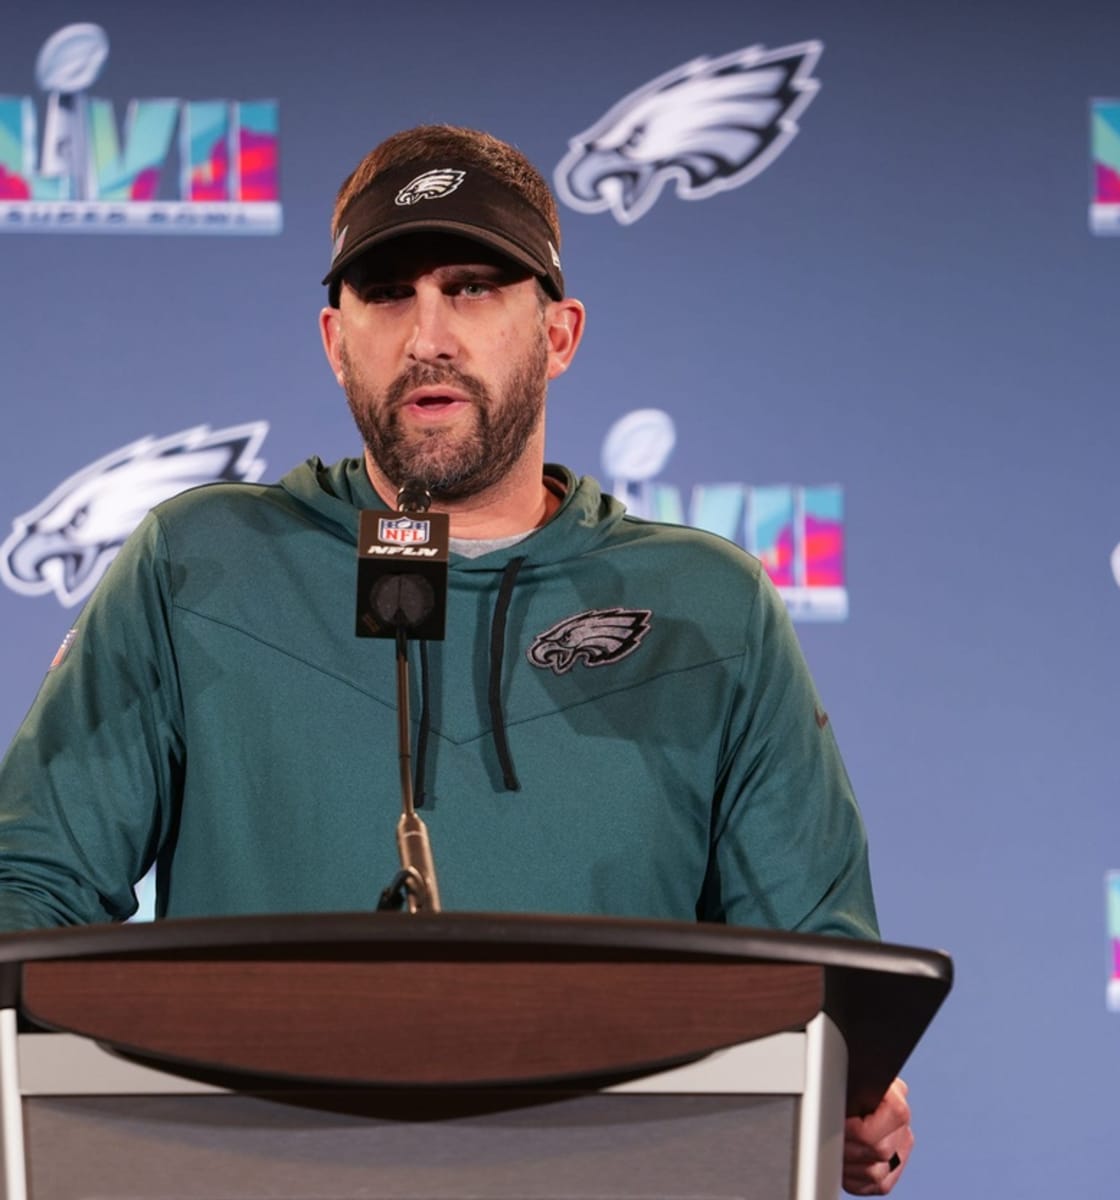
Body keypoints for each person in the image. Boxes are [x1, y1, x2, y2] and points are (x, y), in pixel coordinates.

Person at [0, 124, 912, 1193]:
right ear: (335, 339)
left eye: (473, 287)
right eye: (389, 293)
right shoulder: (200, 564)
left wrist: (848, 1085)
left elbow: (816, 976)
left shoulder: (710, 606)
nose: (428, 334)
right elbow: (30, 892)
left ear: (560, 332)